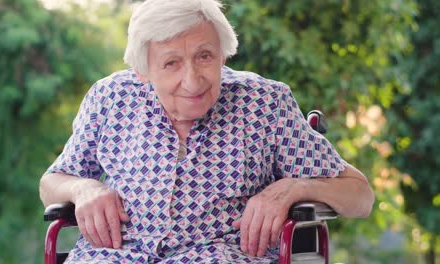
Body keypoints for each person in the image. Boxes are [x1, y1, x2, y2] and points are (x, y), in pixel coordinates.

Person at [39, 0, 374, 262]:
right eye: (171, 63)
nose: (192, 80)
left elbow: (359, 196)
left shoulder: (265, 104)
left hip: (217, 255)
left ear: (223, 55)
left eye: (204, 56)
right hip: (112, 255)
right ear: (143, 71)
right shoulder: (110, 97)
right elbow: (52, 183)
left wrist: (290, 189)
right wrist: (83, 189)